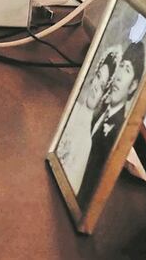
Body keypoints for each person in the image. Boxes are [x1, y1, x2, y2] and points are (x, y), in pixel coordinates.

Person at [75, 40, 146, 207]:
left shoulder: (118, 130)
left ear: (133, 85)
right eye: (121, 66)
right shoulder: (98, 113)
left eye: (127, 70)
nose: (119, 76)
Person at [56, 49, 119, 191]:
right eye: (98, 77)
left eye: (102, 86)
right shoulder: (71, 109)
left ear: (104, 95)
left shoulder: (85, 142)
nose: (96, 87)